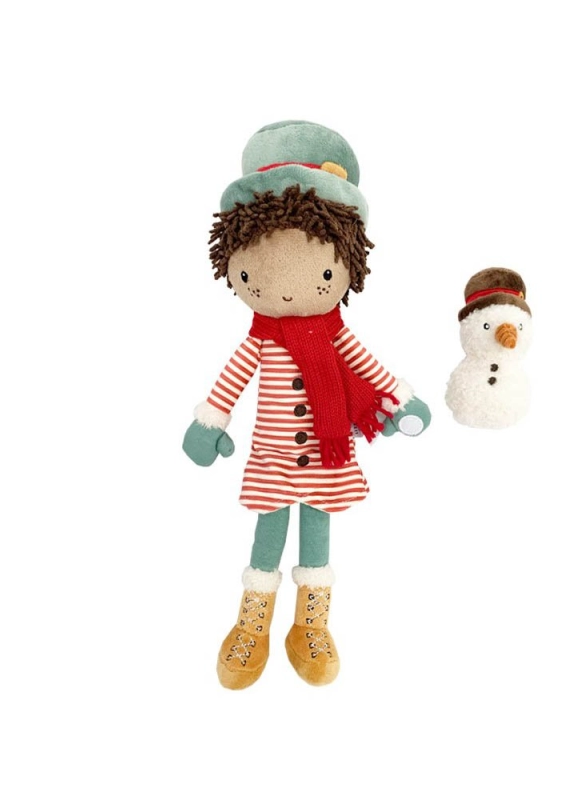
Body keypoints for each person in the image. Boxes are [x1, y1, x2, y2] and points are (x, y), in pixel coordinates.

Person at [182, 121, 430, 689]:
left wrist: (397, 402)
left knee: (318, 537)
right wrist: (209, 421)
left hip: (325, 455)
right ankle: (253, 623)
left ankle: (310, 625)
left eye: (319, 272)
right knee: (267, 538)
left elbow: (369, 368)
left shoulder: (335, 335)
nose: (288, 290)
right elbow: (232, 378)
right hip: (273, 458)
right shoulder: (261, 338)